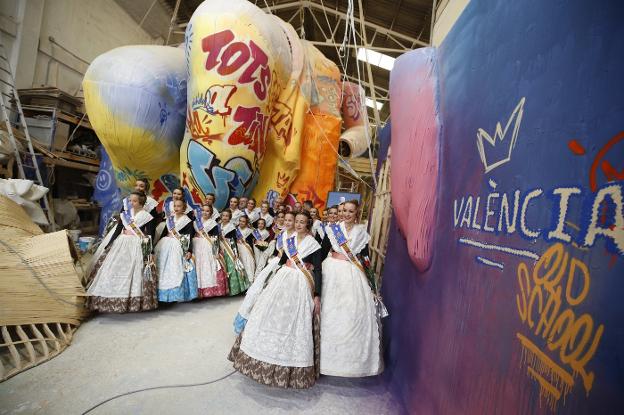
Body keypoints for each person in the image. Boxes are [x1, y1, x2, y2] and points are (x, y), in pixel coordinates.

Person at [229, 211, 323, 389]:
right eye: (297, 221)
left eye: (302, 222)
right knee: (268, 313)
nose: (298, 225)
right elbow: (284, 261)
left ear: (308, 224)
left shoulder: (314, 245)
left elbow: (317, 270)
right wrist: (269, 279)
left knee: (294, 320)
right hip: (283, 279)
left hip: (301, 283)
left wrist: (317, 294)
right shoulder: (289, 240)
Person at [319, 200, 382, 377]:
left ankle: (346, 363)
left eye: (350, 211)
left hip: (352, 275)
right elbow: (323, 252)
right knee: (328, 312)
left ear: (357, 213)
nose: (346, 214)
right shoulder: (332, 229)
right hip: (331, 271)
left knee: (350, 313)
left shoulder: (362, 233)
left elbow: (366, 259)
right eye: (344, 210)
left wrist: (372, 284)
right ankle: (321, 359)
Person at [86, 191, 158, 313]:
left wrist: (150, 252)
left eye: (134, 201)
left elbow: (149, 234)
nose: (131, 203)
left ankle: (131, 302)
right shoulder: (125, 215)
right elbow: (118, 230)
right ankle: (108, 298)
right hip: (121, 243)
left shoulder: (147, 216)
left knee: (134, 271)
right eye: (130, 200)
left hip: (136, 245)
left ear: (141, 202)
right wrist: (109, 244)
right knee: (112, 268)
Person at [155, 198, 198, 302]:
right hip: (165, 243)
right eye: (175, 206)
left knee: (175, 268)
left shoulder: (187, 221)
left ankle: (175, 294)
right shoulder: (170, 219)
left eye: (179, 206)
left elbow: (189, 236)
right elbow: (164, 233)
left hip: (178, 245)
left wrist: (189, 250)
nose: (176, 208)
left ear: (184, 208)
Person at [193, 203, 228, 298]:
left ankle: (209, 290)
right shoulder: (196, 222)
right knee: (198, 266)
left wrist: (216, 251)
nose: (205, 212)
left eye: (207, 211)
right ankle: (198, 290)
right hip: (196, 245)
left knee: (208, 266)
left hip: (208, 246)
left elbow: (216, 238)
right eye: (203, 210)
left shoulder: (213, 223)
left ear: (211, 213)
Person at [218, 209, 250, 296]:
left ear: (230, 218)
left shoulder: (231, 227)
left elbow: (233, 240)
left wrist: (235, 253)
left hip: (229, 250)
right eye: (223, 215)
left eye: (227, 216)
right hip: (220, 248)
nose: (225, 217)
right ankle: (224, 289)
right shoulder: (218, 226)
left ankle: (236, 289)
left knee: (232, 268)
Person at [236, 215, 256, 283]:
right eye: (240, 221)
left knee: (248, 264)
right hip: (237, 249)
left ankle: (249, 281)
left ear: (247, 223)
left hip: (246, 250)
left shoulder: (250, 231)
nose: (241, 223)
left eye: (243, 221)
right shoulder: (235, 230)